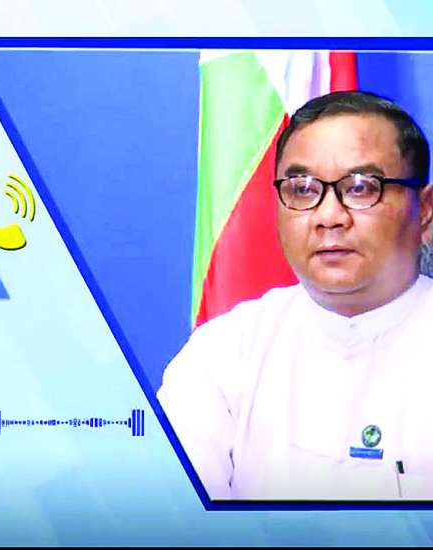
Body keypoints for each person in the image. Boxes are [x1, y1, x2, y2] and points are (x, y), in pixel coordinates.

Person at [157, 91, 433, 500]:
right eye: (302, 189)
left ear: (425, 210)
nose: (328, 217)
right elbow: (172, 517)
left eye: (360, 188)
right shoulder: (227, 350)